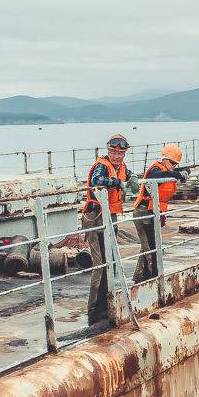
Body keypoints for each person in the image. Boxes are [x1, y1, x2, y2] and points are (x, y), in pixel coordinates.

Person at [82, 134, 130, 324]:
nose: (116, 156)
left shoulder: (120, 166)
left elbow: (128, 175)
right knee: (101, 264)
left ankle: (106, 303)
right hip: (95, 216)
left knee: (112, 262)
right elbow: (97, 180)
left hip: (110, 215)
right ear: (108, 151)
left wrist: (131, 179)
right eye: (113, 152)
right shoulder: (102, 165)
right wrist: (118, 183)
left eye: (120, 153)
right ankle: (95, 310)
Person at [132, 144, 188, 283]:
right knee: (151, 248)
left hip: (155, 211)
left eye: (176, 163)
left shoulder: (168, 169)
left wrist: (184, 171)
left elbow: (184, 169)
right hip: (143, 211)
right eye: (172, 162)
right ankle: (154, 280)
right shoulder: (155, 170)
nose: (174, 166)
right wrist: (177, 174)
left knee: (149, 246)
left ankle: (139, 277)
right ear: (164, 159)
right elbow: (159, 175)